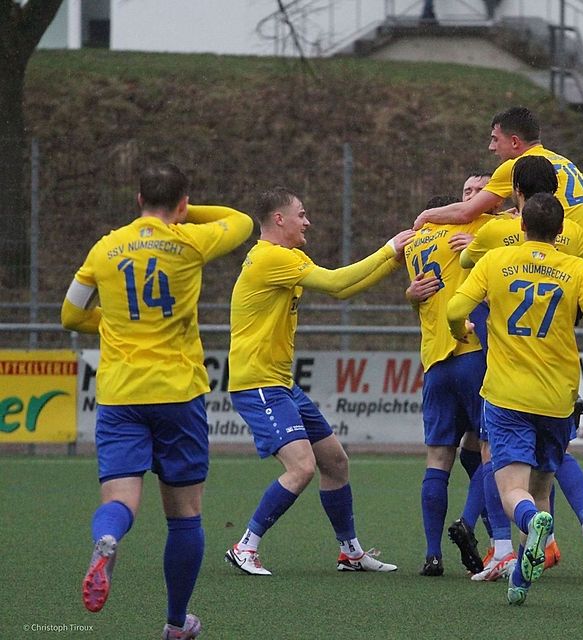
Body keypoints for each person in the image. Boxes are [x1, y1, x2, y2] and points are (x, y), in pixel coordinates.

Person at [62, 162, 254, 639]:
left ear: (137, 199)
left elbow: (70, 313)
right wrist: (184, 216)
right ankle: (174, 624)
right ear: (184, 204)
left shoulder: (105, 248)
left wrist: (110, 326)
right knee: (184, 515)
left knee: (121, 497)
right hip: (177, 392)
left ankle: (107, 539)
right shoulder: (189, 240)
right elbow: (243, 221)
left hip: (120, 395)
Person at [446, 192, 583, 605]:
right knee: (541, 489)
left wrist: (458, 330)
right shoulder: (576, 269)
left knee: (513, 493)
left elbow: (455, 307)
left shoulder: (495, 261)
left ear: (521, 227)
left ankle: (531, 525)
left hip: (506, 397)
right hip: (558, 400)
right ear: (560, 233)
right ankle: (520, 579)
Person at [224, 186, 413, 575]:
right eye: (301, 214)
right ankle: (245, 546)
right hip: (257, 383)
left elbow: (343, 290)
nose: (307, 221)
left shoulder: (287, 257)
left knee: (335, 462)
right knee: (302, 468)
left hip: (281, 383)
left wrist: (394, 260)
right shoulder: (269, 258)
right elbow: (335, 282)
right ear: (279, 219)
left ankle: (350, 552)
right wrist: (388, 247)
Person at [458, 155, 583, 582]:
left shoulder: (494, 234)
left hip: (506, 375)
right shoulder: (573, 238)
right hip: (557, 377)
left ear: (516, 194)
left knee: (495, 462)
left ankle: (504, 551)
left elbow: (467, 270)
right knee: (556, 459)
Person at [414, 106, 583, 304]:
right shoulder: (562, 161)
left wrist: (427, 215)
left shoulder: (517, 166)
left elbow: (466, 212)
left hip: (573, 270)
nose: (491, 147)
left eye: (495, 139)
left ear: (514, 142)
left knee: (476, 300)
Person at [400, 193, 495, 577]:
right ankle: (481, 531)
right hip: (472, 352)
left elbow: (421, 296)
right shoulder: (477, 228)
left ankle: (432, 554)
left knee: (439, 459)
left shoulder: (414, 244)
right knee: (492, 452)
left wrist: (409, 298)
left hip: (435, 362)